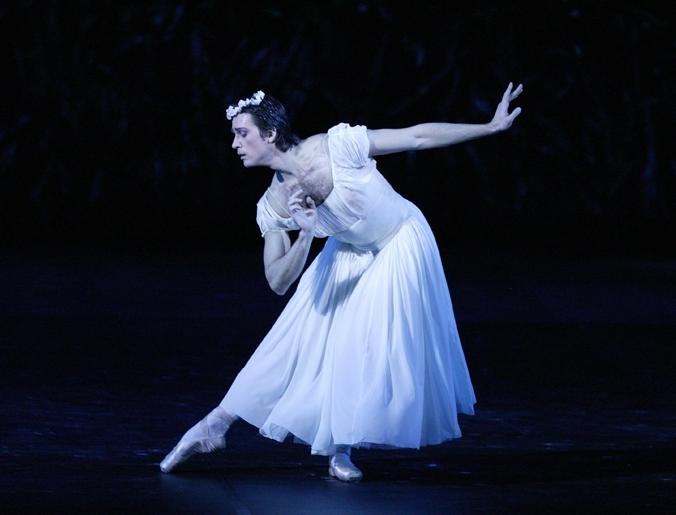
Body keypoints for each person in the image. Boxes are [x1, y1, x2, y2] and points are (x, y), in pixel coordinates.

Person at [160, 84, 523, 481]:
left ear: (270, 133)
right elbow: (277, 282)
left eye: (241, 133)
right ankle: (214, 424)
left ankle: (340, 448)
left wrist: (489, 127)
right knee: (291, 338)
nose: (234, 144)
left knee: (355, 338)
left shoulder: (336, 145)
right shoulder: (273, 204)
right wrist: (306, 234)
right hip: (348, 250)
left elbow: (416, 136)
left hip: (399, 239)